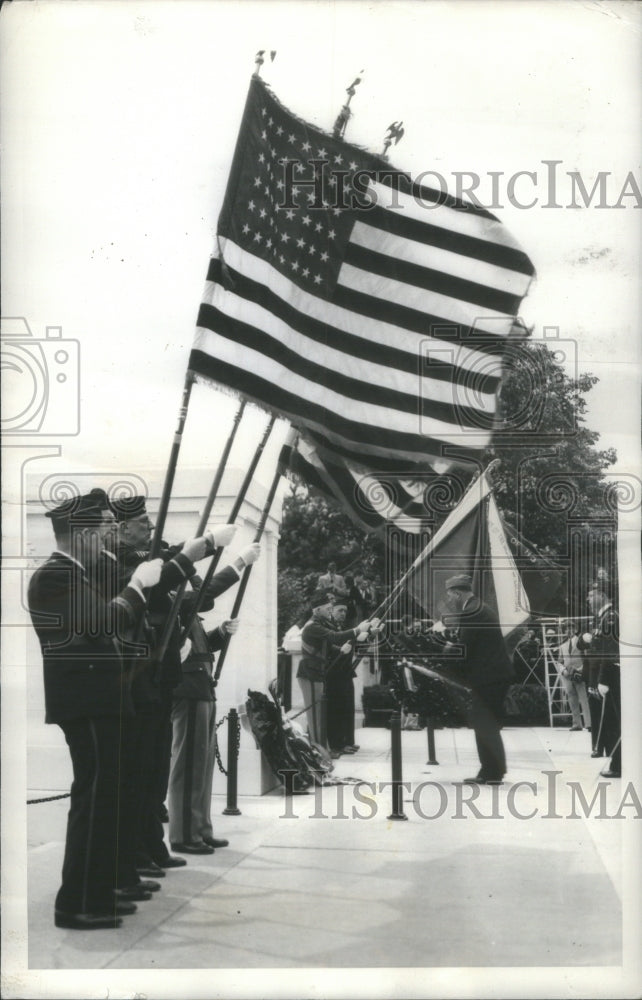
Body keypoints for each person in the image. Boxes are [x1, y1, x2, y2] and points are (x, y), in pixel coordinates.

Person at [27, 492, 163, 930]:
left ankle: (96, 894)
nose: (109, 531)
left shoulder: (76, 574)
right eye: (103, 525)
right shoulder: (54, 576)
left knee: (103, 801)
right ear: (82, 534)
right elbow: (103, 623)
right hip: (85, 705)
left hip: (99, 702)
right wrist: (137, 586)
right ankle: (77, 902)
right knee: (93, 801)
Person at [108, 495, 237, 874]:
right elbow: (162, 578)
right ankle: (137, 851)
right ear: (123, 528)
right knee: (141, 770)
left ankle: (151, 845)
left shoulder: (149, 563)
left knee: (155, 771)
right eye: (144, 523)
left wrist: (208, 550)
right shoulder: (121, 565)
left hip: (161, 679)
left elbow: (193, 595)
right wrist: (205, 547)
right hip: (138, 678)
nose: (151, 530)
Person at [167, 542, 261, 854]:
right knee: (189, 765)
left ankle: (200, 828)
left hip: (201, 687)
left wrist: (220, 632)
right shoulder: (170, 598)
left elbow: (199, 643)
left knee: (202, 765)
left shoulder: (182, 603)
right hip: (187, 689)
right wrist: (238, 564)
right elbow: (201, 596)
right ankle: (183, 834)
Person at [442, 574, 514, 785]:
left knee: (485, 724)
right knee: (486, 724)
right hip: (493, 675)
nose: (450, 601)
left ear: (457, 593)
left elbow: (465, 649)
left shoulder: (471, 611)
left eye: (450, 596)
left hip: (489, 677)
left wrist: (445, 649)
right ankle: (490, 770)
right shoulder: (477, 607)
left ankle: (492, 772)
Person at [297, 590, 376, 747]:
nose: (329, 611)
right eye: (327, 609)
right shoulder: (313, 626)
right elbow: (334, 637)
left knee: (320, 714)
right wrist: (358, 630)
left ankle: (321, 748)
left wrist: (341, 649)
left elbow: (329, 645)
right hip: (310, 672)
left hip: (317, 672)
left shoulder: (319, 624)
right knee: (316, 716)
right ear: (317, 610)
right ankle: (318, 750)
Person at [579, 587, 621, 777]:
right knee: (610, 722)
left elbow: (610, 650)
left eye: (591, 595)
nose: (588, 599)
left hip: (609, 677)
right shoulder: (601, 618)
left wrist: (603, 679)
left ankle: (618, 765)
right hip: (600, 676)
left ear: (603, 596)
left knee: (613, 722)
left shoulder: (610, 617)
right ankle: (616, 763)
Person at [324, 600, 360, 756]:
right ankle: (337, 744)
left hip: (345, 671)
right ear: (332, 611)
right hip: (333, 673)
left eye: (345, 611)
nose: (343, 614)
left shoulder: (342, 628)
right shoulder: (327, 628)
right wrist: (340, 649)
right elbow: (328, 644)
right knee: (336, 710)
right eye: (340, 611)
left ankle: (346, 741)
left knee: (347, 708)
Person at [557, 624, 591, 731]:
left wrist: (580, 670)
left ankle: (589, 724)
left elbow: (586, 657)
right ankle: (576, 724)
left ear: (575, 629)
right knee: (572, 699)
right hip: (567, 676)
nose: (569, 631)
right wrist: (563, 671)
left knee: (584, 699)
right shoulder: (563, 645)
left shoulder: (581, 642)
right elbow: (559, 661)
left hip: (579, 674)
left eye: (571, 628)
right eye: (566, 629)